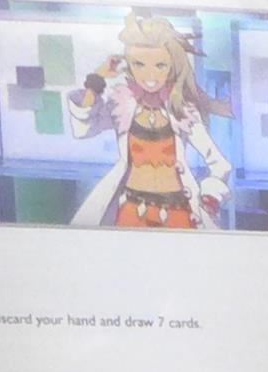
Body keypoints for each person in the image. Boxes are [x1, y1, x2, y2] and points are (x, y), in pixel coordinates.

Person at [66, 12, 230, 230]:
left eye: (160, 65)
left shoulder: (182, 111)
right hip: (130, 210)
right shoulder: (121, 105)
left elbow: (220, 164)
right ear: (129, 65)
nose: (150, 75)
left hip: (178, 213)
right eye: (139, 64)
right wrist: (97, 77)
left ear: (173, 66)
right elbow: (85, 127)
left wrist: (210, 197)